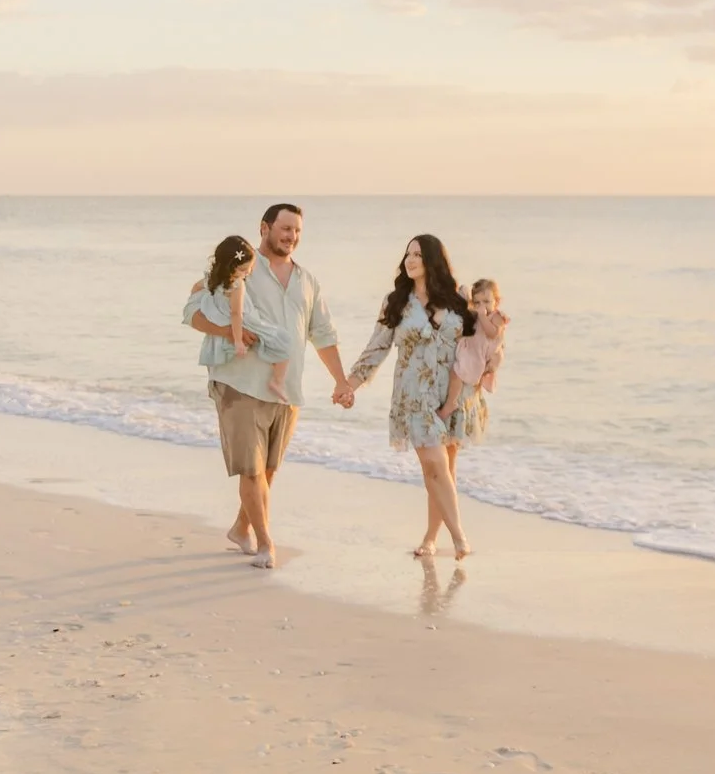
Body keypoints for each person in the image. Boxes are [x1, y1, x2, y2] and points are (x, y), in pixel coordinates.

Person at [185, 203, 348, 568]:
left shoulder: (308, 280)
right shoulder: (239, 268)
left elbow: (323, 335)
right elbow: (192, 312)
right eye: (285, 228)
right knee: (252, 469)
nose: (292, 237)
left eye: (297, 231)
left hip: (286, 390)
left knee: (268, 471)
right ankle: (265, 544)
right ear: (265, 228)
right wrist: (229, 332)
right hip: (239, 385)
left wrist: (342, 381)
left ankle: (242, 529)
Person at [338, 234, 477, 560]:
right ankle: (459, 538)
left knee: (443, 471)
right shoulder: (396, 302)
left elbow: (476, 344)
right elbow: (376, 349)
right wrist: (348, 386)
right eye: (407, 254)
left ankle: (431, 538)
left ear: (433, 260)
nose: (410, 260)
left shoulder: (458, 298)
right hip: (413, 397)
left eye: (417, 254)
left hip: (453, 395)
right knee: (434, 464)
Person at [188, 236, 292, 404]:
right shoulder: (237, 285)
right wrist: (238, 341)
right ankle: (277, 381)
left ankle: (272, 371)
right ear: (231, 267)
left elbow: (196, 287)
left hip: (235, 322)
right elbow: (237, 314)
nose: (248, 273)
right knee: (283, 340)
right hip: (248, 320)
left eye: (249, 268)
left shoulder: (213, 279)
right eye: (244, 270)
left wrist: (202, 300)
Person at [445, 277, 509, 446]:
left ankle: (451, 402)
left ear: (497, 302)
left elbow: (492, 333)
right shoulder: (479, 314)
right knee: (455, 372)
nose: (482, 306)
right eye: (478, 302)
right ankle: (452, 401)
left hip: (478, 358)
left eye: (487, 301)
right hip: (472, 352)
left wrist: (482, 316)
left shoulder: (496, 317)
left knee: (456, 373)